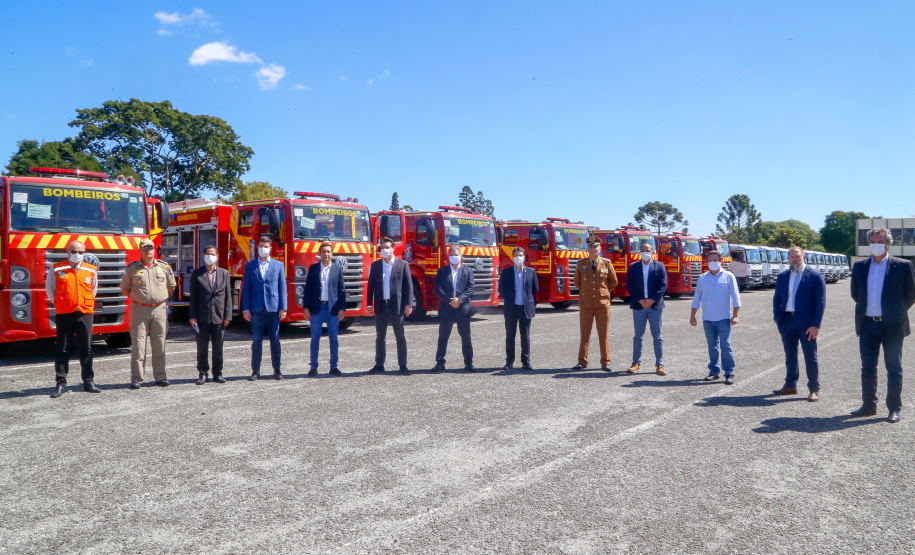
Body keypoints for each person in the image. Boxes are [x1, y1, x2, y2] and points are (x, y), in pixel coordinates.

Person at [849, 228, 915, 423]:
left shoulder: (903, 266)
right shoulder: (860, 267)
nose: (875, 244)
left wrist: (896, 312)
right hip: (868, 325)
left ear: (888, 244)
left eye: (879, 241)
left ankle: (894, 408)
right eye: (872, 240)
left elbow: (911, 294)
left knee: (894, 368)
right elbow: (856, 294)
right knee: (868, 367)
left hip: (893, 327)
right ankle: (868, 405)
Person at [47, 240, 101, 398]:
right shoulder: (57, 268)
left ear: (85, 253)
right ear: (68, 251)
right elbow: (50, 290)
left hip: (85, 312)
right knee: (62, 348)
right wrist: (64, 303)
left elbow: (93, 290)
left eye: (81, 252)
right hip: (65, 313)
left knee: (86, 348)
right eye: (74, 251)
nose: (78, 254)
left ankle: (88, 382)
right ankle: (61, 383)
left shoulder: (91, 269)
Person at [120, 238, 176, 389]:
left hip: (159, 309)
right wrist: (140, 298)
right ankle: (137, 379)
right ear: (140, 251)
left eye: (150, 247)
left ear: (154, 249)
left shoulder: (164, 267)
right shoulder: (132, 268)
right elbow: (125, 289)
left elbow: (171, 287)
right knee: (138, 345)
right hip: (139, 309)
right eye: (144, 248)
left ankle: (161, 376)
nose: (148, 250)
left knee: (159, 344)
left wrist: (157, 298)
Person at [772, 247, 826, 402]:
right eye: (792, 257)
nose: (795, 259)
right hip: (786, 321)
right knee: (790, 355)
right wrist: (778, 317)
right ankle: (790, 385)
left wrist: (816, 325)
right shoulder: (782, 276)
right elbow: (777, 299)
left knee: (810, 356)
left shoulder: (815, 276)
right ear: (788, 259)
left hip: (807, 324)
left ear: (804, 256)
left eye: (798, 256)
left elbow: (820, 303)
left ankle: (814, 389)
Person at [690, 250, 741, 384]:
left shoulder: (729, 276)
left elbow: (736, 298)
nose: (712, 262)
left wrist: (735, 316)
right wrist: (693, 315)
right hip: (707, 319)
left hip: (724, 318)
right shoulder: (703, 278)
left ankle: (729, 373)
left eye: (715, 260)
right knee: (712, 346)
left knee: (726, 345)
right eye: (710, 260)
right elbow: (697, 298)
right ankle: (714, 371)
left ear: (721, 261)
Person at [242, 235, 288, 381]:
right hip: (256, 309)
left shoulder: (278, 265)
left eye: (266, 246)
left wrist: (283, 307)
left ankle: (277, 370)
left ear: (270, 248)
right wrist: (245, 309)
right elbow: (246, 289)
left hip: (274, 309)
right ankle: (255, 370)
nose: (263, 248)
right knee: (256, 340)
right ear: (257, 248)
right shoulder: (250, 266)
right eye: (261, 246)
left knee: (275, 339)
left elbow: (282, 287)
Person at [366, 238, 414, 374]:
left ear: (393, 248)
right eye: (382, 247)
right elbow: (371, 287)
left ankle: (403, 365)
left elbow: (409, 286)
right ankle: (379, 364)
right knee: (380, 336)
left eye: (387, 247)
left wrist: (409, 304)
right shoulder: (375, 265)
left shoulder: (402, 264)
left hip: (397, 305)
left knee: (400, 336)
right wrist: (369, 304)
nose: (384, 250)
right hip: (381, 306)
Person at [572, 235, 618, 371]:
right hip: (586, 304)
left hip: (602, 304)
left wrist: (603, 292)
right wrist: (587, 292)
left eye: (595, 247)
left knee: (603, 334)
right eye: (590, 247)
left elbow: (613, 282)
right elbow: (577, 282)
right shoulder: (581, 264)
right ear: (588, 249)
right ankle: (582, 361)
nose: (593, 249)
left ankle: (605, 362)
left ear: (600, 248)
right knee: (585, 334)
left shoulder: (607, 263)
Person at [189, 245, 232, 385]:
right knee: (202, 347)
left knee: (218, 347)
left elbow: (228, 296)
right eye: (208, 254)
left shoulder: (225, 273)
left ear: (218, 256)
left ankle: (218, 373)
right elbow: (193, 297)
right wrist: (192, 316)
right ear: (203, 256)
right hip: (202, 317)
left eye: (213, 254)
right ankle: (202, 373)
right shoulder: (197, 274)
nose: (210, 256)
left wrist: (228, 315)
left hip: (219, 317)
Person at [303, 242, 346, 376]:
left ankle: (334, 366)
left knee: (333, 338)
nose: (326, 254)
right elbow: (308, 289)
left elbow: (342, 291)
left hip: (332, 308)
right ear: (319, 254)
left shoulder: (337, 270)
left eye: (328, 252)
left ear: (332, 254)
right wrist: (306, 307)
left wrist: (342, 309)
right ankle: (313, 367)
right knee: (315, 338)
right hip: (316, 308)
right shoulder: (313, 268)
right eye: (323, 252)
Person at [626, 242, 668, 375]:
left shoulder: (660, 266)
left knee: (657, 336)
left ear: (652, 252)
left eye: (648, 250)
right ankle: (636, 363)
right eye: (643, 250)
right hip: (639, 306)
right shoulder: (633, 267)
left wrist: (652, 300)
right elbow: (630, 286)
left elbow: (663, 285)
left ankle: (660, 364)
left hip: (655, 306)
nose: (645, 252)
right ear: (640, 252)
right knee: (638, 336)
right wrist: (640, 300)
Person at [432, 245, 476, 372]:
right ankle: (440, 362)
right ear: (448, 256)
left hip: (463, 309)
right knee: (443, 336)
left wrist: (460, 300)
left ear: (461, 256)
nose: (454, 256)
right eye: (452, 254)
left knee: (466, 336)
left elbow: (471, 288)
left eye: (456, 254)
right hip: (447, 308)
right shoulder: (442, 271)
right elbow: (438, 288)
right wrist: (450, 300)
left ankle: (468, 362)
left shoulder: (468, 271)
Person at [498, 247, 538, 370]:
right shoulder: (506, 272)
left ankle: (525, 361)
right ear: (513, 257)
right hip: (511, 309)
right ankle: (509, 361)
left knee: (525, 337)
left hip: (525, 309)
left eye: (520, 255)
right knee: (510, 336)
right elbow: (501, 289)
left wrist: (530, 303)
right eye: (516, 255)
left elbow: (535, 289)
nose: (518, 257)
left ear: (524, 257)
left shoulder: (531, 272)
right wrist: (509, 299)